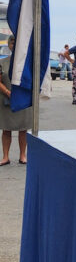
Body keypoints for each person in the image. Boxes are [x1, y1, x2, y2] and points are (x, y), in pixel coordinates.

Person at [0, 36, 30, 165]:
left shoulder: (27, 62)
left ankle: (22, 155)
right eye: (12, 42)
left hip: (23, 100)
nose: (14, 44)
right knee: (6, 129)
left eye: (17, 42)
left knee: (23, 129)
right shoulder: (3, 62)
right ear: (9, 45)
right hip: (6, 99)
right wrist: (7, 92)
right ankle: (5, 157)